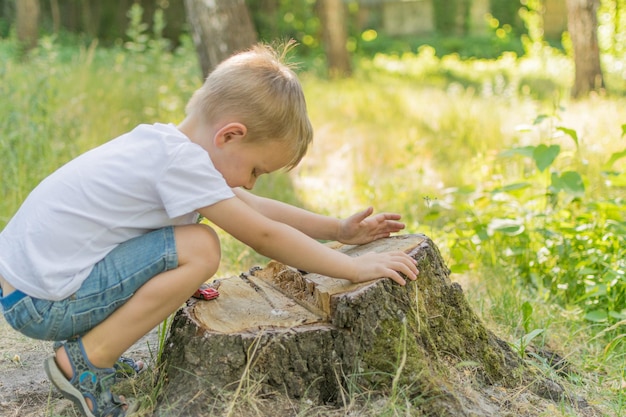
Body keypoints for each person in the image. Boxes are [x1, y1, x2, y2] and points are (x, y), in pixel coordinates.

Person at [0, 43, 418, 417]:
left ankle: (98, 346)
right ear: (231, 135)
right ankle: (87, 360)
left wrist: (338, 230)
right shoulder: (182, 166)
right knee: (201, 247)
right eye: (255, 169)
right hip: (44, 302)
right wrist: (352, 270)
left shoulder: (167, 147)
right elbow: (263, 235)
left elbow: (256, 209)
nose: (251, 183)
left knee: (190, 246)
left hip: (29, 289)